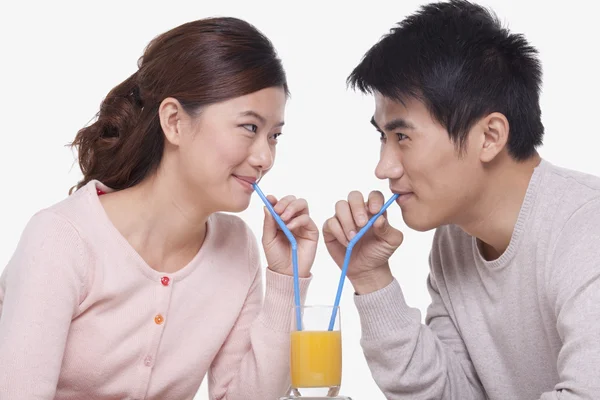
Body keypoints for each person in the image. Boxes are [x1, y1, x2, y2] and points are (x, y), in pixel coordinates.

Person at [0, 17, 318, 400]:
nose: (265, 157)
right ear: (174, 122)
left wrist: (286, 279)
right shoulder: (62, 238)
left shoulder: (239, 248)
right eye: (250, 128)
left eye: (274, 135)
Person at [322, 1, 600, 399]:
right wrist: (371, 278)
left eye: (402, 137)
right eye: (382, 137)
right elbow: (450, 393)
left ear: (489, 137)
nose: (383, 168)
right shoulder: (454, 240)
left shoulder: (588, 231)